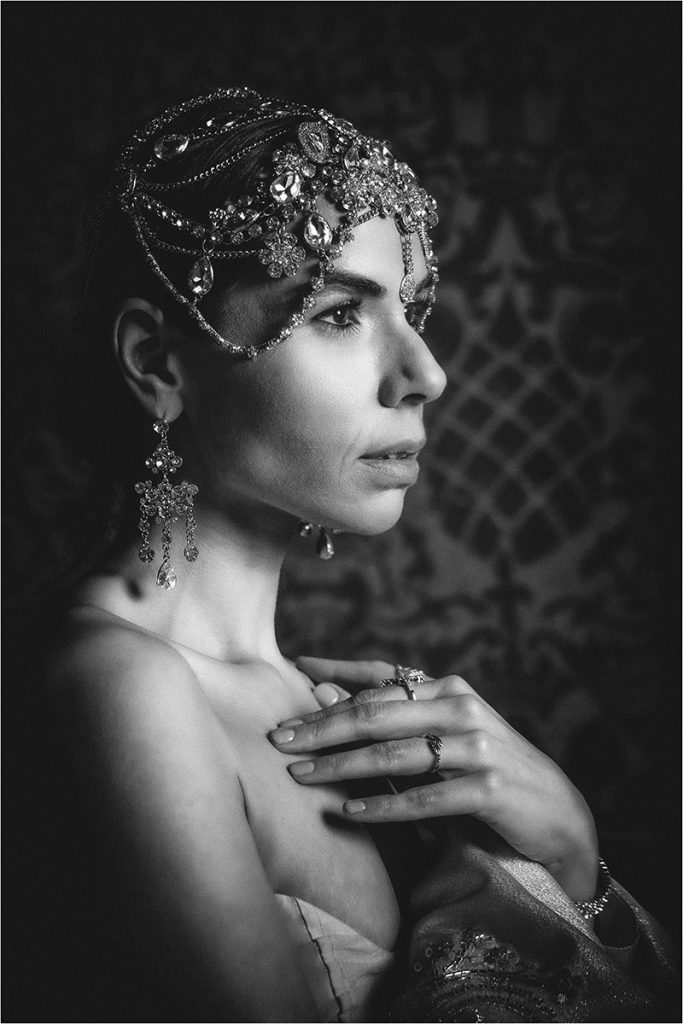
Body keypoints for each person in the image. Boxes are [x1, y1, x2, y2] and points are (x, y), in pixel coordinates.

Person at [12, 86, 677, 1023]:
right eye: (336, 313)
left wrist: (571, 863)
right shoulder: (122, 686)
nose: (425, 375)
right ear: (158, 363)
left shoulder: (317, 705)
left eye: (412, 309)